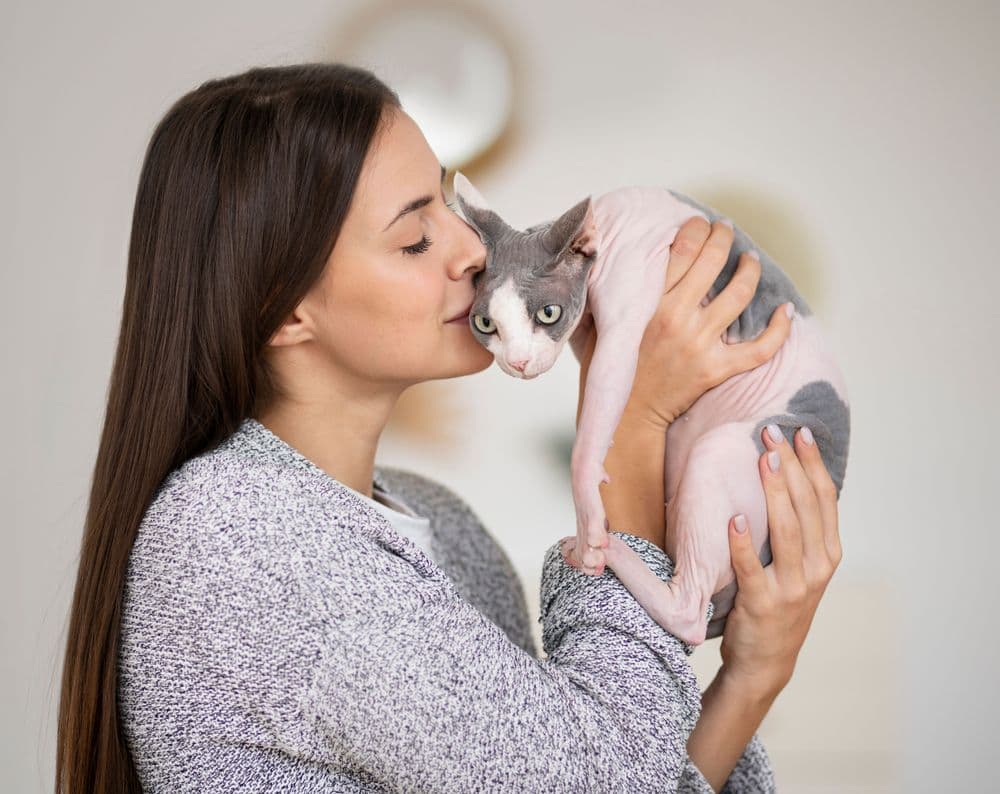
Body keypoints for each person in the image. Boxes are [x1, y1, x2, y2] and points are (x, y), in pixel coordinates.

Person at [56, 63, 842, 793]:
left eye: (445, 201)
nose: (473, 249)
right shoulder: (238, 538)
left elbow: (610, 764)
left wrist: (750, 676)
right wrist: (637, 421)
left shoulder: (443, 528)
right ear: (283, 311)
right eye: (414, 236)